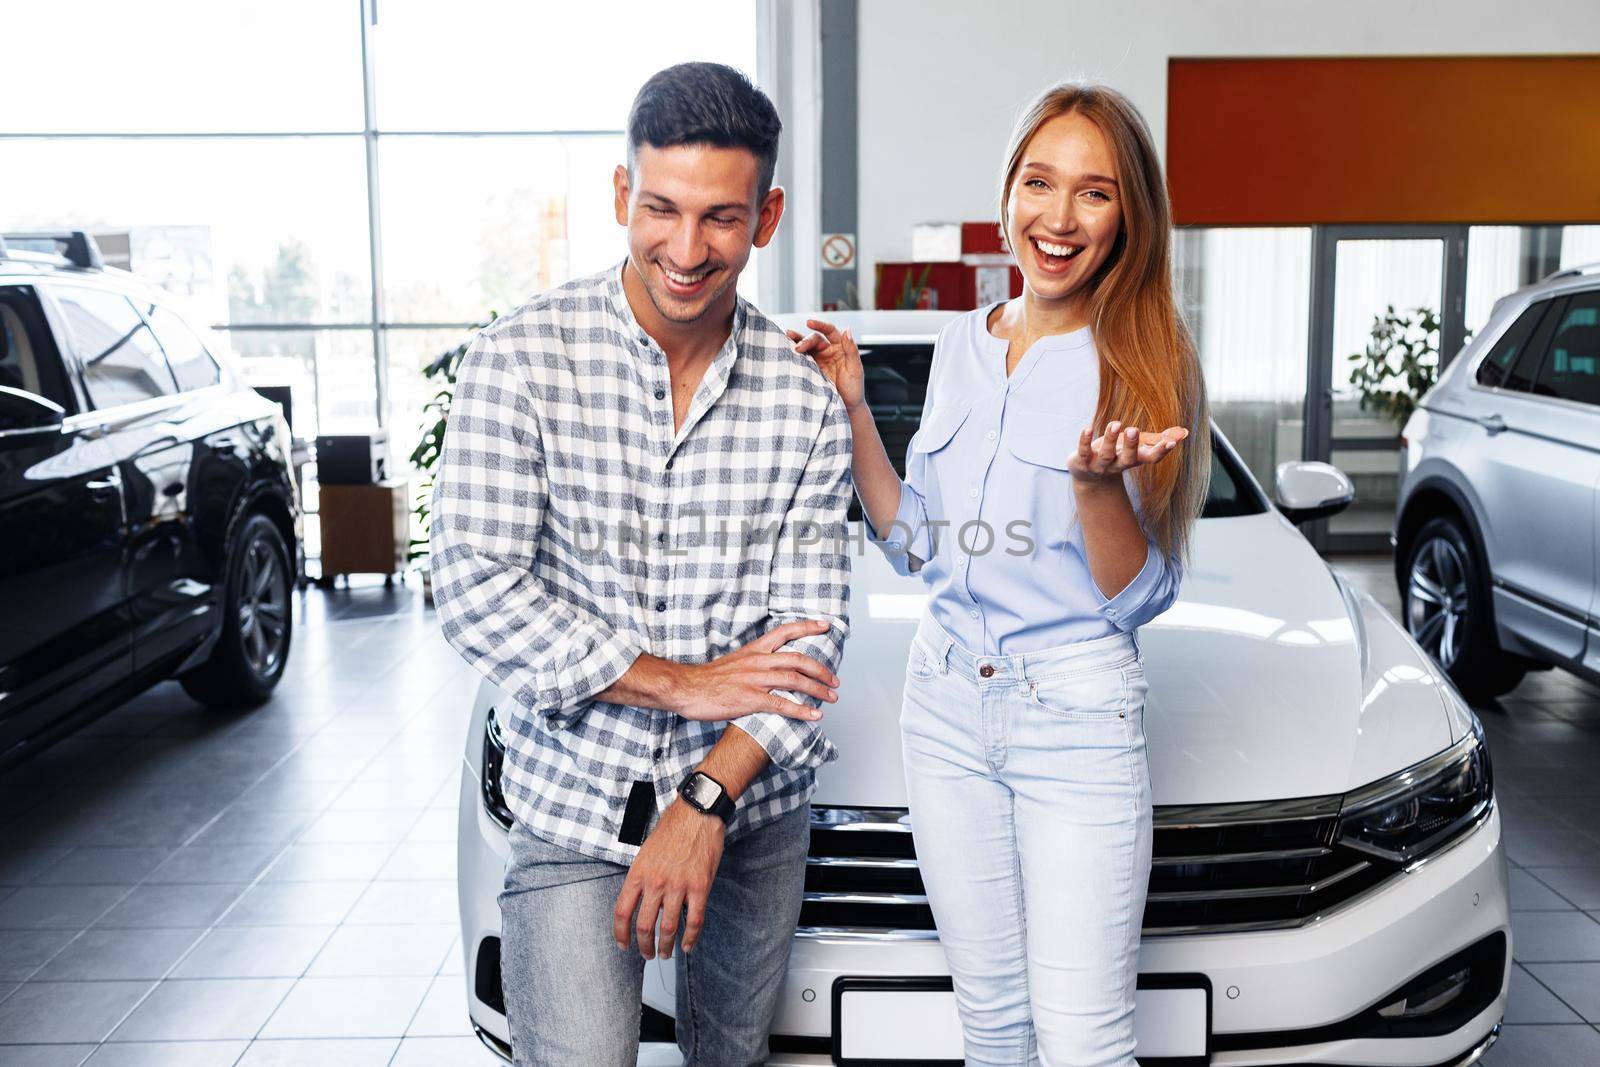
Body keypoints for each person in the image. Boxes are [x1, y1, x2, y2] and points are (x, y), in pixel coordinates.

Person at [430, 62, 852, 1067]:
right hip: (575, 801)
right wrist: (681, 682)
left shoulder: (802, 399)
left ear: (768, 214)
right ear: (623, 195)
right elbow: (473, 583)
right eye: (660, 208)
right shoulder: (522, 358)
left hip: (750, 812)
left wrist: (705, 799)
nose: (686, 248)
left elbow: (810, 636)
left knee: (731, 1060)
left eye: (720, 217)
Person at [793, 81, 1210, 1066]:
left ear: (1128, 216)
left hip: (1072, 713)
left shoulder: (1146, 360)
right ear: (1007, 193)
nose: (1057, 218)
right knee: (992, 1029)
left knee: (1082, 1041)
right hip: (942, 702)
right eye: (1039, 182)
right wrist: (856, 407)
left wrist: (1097, 490)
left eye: (1094, 192)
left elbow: (1140, 595)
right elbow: (917, 544)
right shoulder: (960, 345)